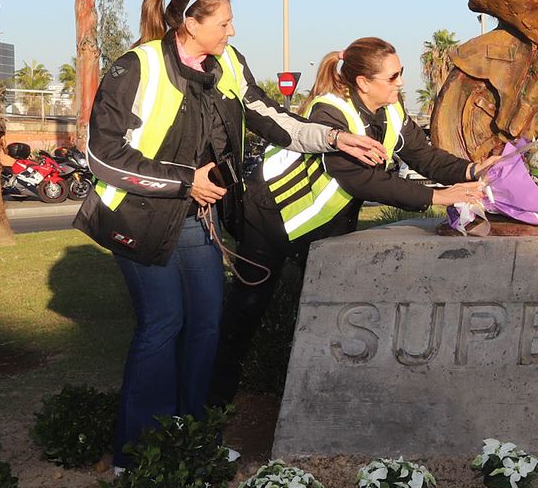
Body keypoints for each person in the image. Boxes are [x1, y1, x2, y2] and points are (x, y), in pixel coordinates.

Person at [76, 0, 384, 469]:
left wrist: (334, 138)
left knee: (205, 326)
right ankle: (136, 454)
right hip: (136, 216)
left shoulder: (229, 64)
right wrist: (185, 181)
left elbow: (269, 115)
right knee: (163, 325)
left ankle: (193, 439)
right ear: (190, 23)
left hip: (197, 218)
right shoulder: (137, 66)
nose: (232, 30)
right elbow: (102, 156)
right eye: (223, 23)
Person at [207, 36, 493, 405]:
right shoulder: (330, 111)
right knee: (243, 319)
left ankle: (327, 398)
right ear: (363, 82)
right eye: (393, 77)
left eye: (400, 74)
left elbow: (425, 157)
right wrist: (436, 197)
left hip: (325, 231)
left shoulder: (391, 112)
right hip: (271, 220)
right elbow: (359, 178)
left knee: (337, 315)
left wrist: (470, 170)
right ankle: (209, 412)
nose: (401, 83)